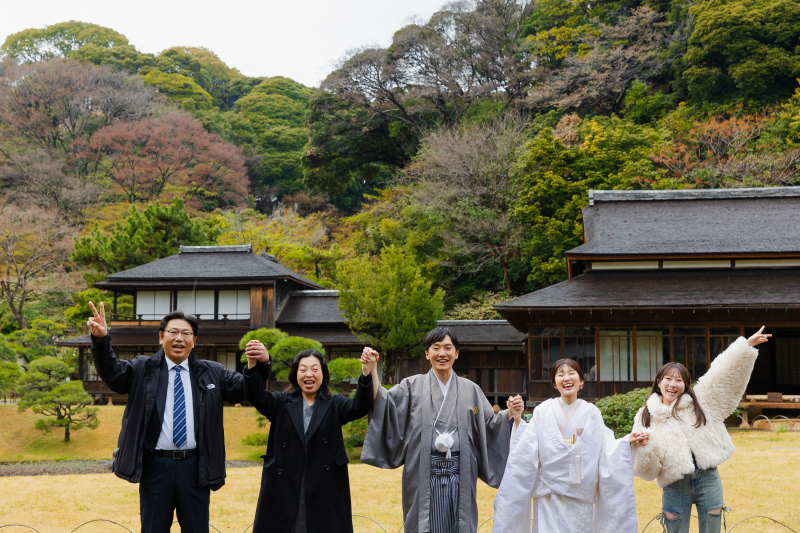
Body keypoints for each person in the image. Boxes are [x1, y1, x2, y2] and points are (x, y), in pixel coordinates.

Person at [87, 302, 263, 533]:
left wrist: (255, 366)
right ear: (161, 337)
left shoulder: (212, 371)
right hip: (155, 467)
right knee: (153, 528)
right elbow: (114, 374)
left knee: (197, 528)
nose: (179, 338)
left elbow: (245, 390)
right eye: (173, 332)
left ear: (194, 340)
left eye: (186, 333)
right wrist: (101, 341)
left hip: (195, 467)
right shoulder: (143, 368)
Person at [360, 326, 525, 533]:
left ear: (456, 353)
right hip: (421, 472)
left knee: (460, 525)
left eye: (448, 348)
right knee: (423, 525)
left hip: (461, 472)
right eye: (435, 348)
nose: (442, 354)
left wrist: (510, 413)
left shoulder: (470, 389)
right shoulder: (411, 385)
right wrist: (372, 370)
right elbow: (384, 405)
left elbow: (490, 427)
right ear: (427, 353)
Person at [631, 327, 770, 533]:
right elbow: (645, 469)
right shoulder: (646, 414)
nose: (673, 384)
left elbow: (720, 375)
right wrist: (643, 447)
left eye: (679, 380)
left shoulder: (700, 401)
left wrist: (745, 346)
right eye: (668, 379)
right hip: (674, 484)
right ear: (659, 382)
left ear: (686, 385)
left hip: (708, 478)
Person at [492, 358, 648, 533]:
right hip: (548, 495)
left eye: (572, 373)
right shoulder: (543, 410)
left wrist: (625, 442)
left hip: (579, 495)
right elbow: (527, 445)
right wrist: (518, 418)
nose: (566, 378)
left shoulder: (592, 413)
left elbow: (605, 449)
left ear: (581, 381)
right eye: (561, 374)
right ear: (554, 384)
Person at [242, 343, 374, 533]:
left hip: (323, 486)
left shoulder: (334, 404)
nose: (308, 374)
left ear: (323, 374)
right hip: (284, 485)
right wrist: (254, 363)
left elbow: (359, 407)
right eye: (302, 369)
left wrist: (366, 373)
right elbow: (255, 395)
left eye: (315, 369)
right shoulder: (280, 403)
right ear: (295, 374)